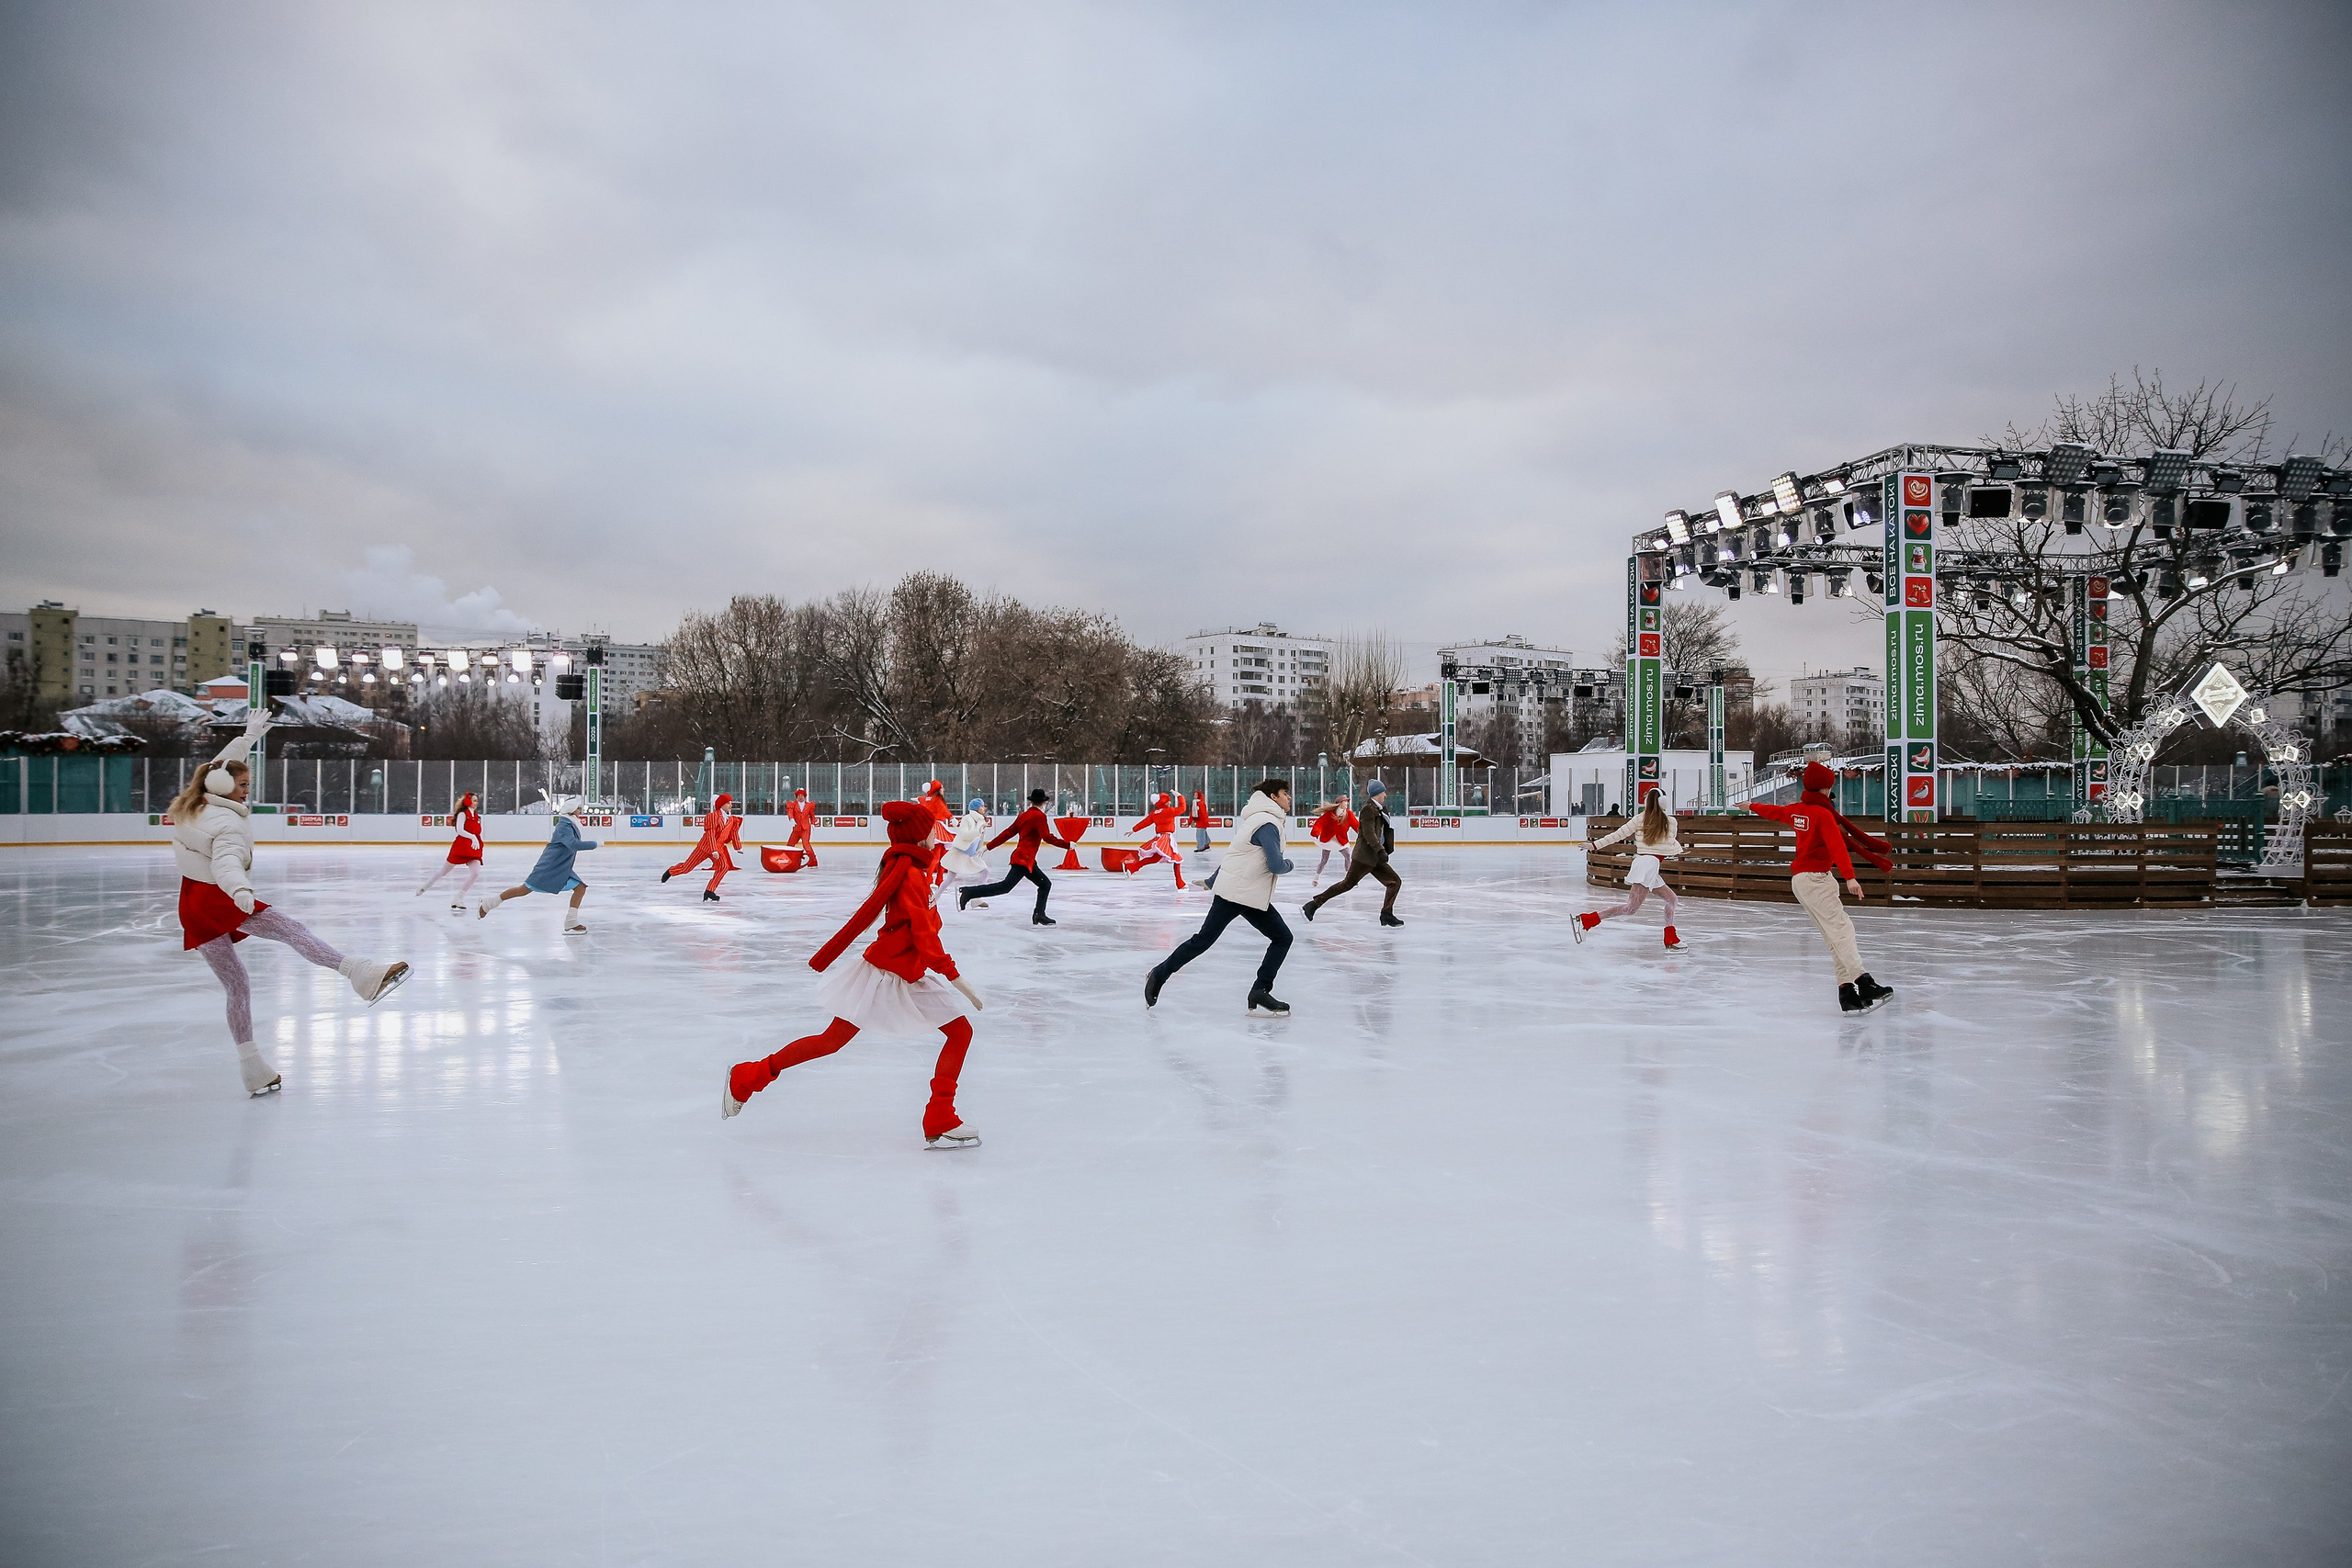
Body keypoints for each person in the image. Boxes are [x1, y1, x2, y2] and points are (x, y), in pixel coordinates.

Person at [173, 711, 410, 1096]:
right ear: (224, 786)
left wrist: (248, 737)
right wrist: (241, 892)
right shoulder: (228, 823)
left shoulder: (197, 801)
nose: (248, 790)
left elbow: (218, 766)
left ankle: (253, 1069)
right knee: (292, 932)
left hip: (192, 901)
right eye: (244, 785)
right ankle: (360, 974)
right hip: (221, 897)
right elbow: (227, 862)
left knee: (237, 985)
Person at [724, 801, 984, 1148]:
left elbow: (920, 917)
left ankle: (940, 1115)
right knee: (831, 1041)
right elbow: (923, 935)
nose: (935, 835)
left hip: (907, 971)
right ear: (918, 836)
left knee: (959, 1031)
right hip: (887, 974)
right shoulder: (908, 873)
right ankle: (748, 1075)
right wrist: (954, 976)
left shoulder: (912, 867)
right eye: (930, 830)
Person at [1746, 761, 1895, 1013]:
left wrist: (1749, 805)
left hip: (1801, 882)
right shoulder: (1823, 814)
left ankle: (1846, 992)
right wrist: (1849, 877)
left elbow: (1774, 811)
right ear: (1825, 789)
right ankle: (1864, 981)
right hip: (1816, 879)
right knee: (1842, 929)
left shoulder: (1798, 810)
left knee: (1833, 936)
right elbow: (1837, 846)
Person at [1144, 778, 1295, 1017]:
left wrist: (1214, 881)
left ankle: (1259, 991)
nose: (1289, 798)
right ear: (1273, 797)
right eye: (1285, 793)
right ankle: (1159, 974)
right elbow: (1276, 865)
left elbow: (1235, 854)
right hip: (1240, 893)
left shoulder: (1257, 819)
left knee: (1207, 940)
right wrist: (1290, 864)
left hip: (1243, 891)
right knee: (1280, 938)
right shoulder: (1267, 823)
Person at [1572, 794, 1686, 948]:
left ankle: (1670, 938)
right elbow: (1671, 842)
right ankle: (1586, 921)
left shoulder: (1641, 819)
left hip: (1648, 866)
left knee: (1671, 899)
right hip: (1647, 866)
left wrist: (1595, 845)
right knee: (1630, 908)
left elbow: (1617, 835)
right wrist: (1594, 846)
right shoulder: (1670, 822)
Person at [480, 794, 599, 932]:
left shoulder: (569, 823)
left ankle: (571, 921)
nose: (580, 812)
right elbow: (573, 844)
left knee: (580, 888)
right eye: (578, 809)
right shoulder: (564, 826)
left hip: (561, 866)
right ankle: (488, 904)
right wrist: (594, 844)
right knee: (523, 890)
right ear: (572, 810)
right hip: (550, 866)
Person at [960, 788, 1069, 925]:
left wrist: (988, 846)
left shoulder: (1023, 815)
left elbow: (1007, 833)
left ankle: (1039, 914)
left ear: (1031, 801)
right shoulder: (1039, 817)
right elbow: (1047, 837)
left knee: (1045, 884)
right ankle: (969, 892)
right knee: (1005, 887)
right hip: (1023, 859)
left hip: (1026, 859)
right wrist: (1067, 845)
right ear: (1043, 803)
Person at [1302, 778, 1402, 927]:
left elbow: (1364, 829)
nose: (1386, 795)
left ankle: (1386, 914)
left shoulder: (1378, 809)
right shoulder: (1368, 809)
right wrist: (1380, 849)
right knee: (1347, 884)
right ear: (1377, 793)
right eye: (1383, 792)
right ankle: (1313, 904)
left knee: (1395, 882)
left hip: (1374, 858)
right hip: (1364, 857)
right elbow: (1368, 833)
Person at [662, 791, 741, 901]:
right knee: (687, 868)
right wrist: (713, 850)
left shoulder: (731, 820)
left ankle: (710, 890)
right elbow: (710, 834)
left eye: (731, 803)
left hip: (718, 849)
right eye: (728, 803)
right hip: (705, 847)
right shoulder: (712, 816)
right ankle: (671, 871)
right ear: (721, 804)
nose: (731, 805)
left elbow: (734, 834)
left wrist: (738, 847)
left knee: (724, 867)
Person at [416, 790, 484, 909]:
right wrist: (472, 837)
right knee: (444, 871)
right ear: (467, 801)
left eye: (477, 801)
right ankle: (425, 886)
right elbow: (459, 830)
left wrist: (476, 840)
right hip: (462, 847)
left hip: (474, 848)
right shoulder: (463, 814)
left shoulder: (477, 816)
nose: (476, 803)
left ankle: (458, 899)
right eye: (474, 800)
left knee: (476, 873)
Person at [1124, 792, 1187, 888]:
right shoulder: (1169, 811)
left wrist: (1134, 829)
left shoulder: (1155, 813)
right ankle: (1180, 883)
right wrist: (1179, 796)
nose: (1170, 803)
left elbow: (1145, 822)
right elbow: (1183, 808)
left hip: (1159, 837)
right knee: (1176, 859)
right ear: (1164, 802)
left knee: (1155, 858)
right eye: (1168, 801)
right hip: (1166, 838)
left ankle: (1133, 867)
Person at [939, 796, 994, 902]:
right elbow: (964, 835)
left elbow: (979, 839)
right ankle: (936, 896)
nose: (984, 808)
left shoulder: (981, 820)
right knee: (950, 878)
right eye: (982, 806)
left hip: (971, 853)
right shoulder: (967, 818)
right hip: (960, 851)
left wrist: (979, 850)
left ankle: (977, 898)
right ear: (976, 808)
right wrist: (977, 831)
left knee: (985, 872)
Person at [1308, 797, 1356, 885]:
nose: (1347, 803)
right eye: (1346, 801)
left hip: (1341, 840)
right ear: (1340, 803)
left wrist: (1364, 833)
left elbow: (1356, 825)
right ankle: (1316, 877)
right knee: (1324, 859)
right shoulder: (1329, 814)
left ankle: (1348, 878)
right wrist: (1316, 831)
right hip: (1328, 839)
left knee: (1348, 856)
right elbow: (1320, 823)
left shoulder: (1349, 814)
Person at [785, 787, 820, 869]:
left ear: (805, 796)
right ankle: (787, 859)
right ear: (796, 796)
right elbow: (790, 812)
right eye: (799, 795)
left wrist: (813, 823)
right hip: (796, 828)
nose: (800, 797)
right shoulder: (792, 804)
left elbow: (812, 815)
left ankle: (813, 861)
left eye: (802, 795)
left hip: (805, 828)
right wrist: (791, 819)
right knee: (790, 844)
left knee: (806, 844)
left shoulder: (809, 805)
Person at [1191, 790, 1212, 855]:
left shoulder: (1201, 803)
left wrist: (1206, 822)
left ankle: (1201, 847)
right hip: (1199, 821)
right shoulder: (1196, 803)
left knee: (1200, 835)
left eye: (1196, 795)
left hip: (1201, 822)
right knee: (1202, 833)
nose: (1194, 796)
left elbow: (1204, 814)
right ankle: (1206, 843)